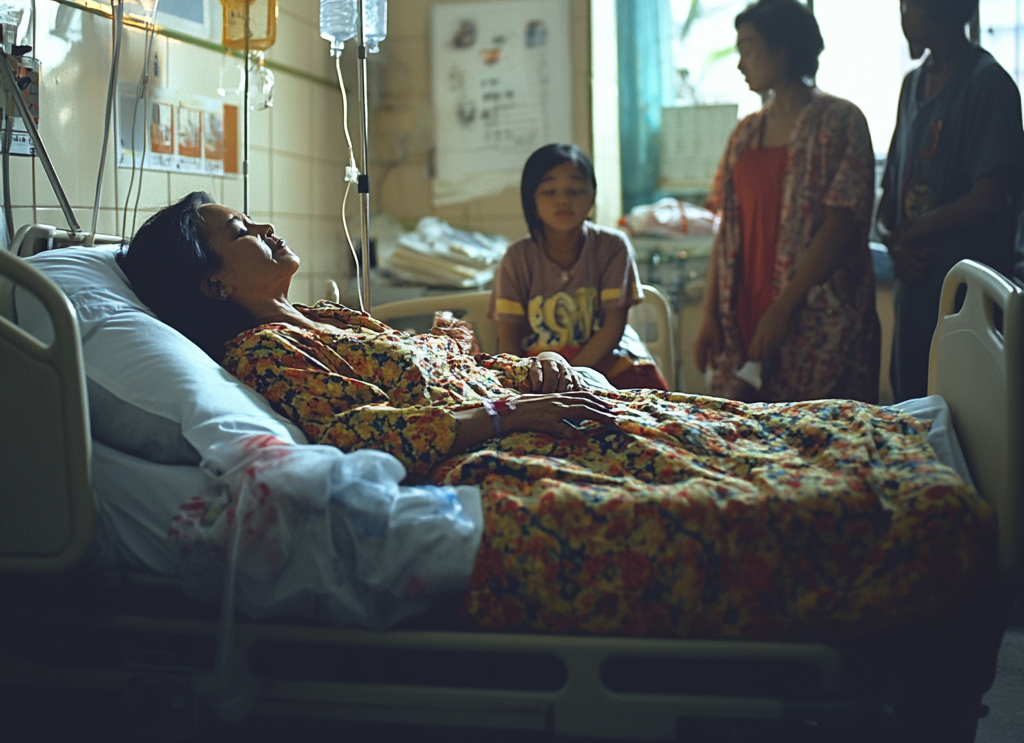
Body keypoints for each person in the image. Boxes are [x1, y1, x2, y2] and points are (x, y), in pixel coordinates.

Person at [115, 193, 986, 647]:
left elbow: (419, 376)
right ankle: (912, 496)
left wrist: (512, 363)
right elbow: (365, 434)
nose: (264, 225)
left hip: (528, 403)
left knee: (726, 425)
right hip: (504, 450)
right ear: (213, 284)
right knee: (717, 467)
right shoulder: (264, 357)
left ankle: (902, 441)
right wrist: (511, 405)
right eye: (239, 230)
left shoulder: (330, 321)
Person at [694, 0, 880, 403]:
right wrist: (709, 314)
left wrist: (782, 309)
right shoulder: (746, 133)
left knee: (820, 439)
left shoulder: (840, 121)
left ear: (783, 49)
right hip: (744, 313)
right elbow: (728, 228)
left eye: (749, 48)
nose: (741, 62)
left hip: (815, 317)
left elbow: (842, 224)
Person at [877, 0, 1024, 402]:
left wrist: (915, 232)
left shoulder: (989, 85)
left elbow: (989, 197)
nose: (902, 15)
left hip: (967, 297)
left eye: (907, 2)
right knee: (914, 405)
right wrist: (894, 241)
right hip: (915, 287)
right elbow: (891, 195)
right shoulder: (912, 85)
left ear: (933, 6)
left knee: (968, 416)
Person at [488, 143, 669, 390]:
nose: (563, 199)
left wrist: (572, 375)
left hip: (609, 363)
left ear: (592, 196)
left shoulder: (612, 247)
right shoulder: (516, 258)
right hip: (542, 372)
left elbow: (613, 327)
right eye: (549, 191)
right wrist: (535, 381)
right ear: (531, 200)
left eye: (574, 190)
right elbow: (509, 340)